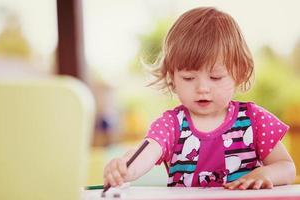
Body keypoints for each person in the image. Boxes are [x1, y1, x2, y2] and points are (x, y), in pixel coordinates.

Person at [103, 7, 296, 190]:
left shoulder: (253, 120)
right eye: (188, 78)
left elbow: (286, 167)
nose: (202, 88)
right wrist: (125, 168)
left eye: (215, 77)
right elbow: (147, 152)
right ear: (172, 77)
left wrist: (266, 174)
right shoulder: (171, 124)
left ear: (239, 74)